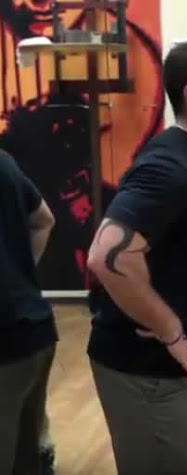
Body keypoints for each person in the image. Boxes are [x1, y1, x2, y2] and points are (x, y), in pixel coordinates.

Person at [86, 38, 187, 475]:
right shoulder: (168, 165)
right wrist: (171, 330)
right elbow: (108, 256)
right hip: (149, 375)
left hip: (184, 369)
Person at [0, 149, 57, 474]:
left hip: (6, 344)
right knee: (27, 460)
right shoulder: (3, 161)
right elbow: (44, 219)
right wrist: (20, 276)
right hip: (36, 332)